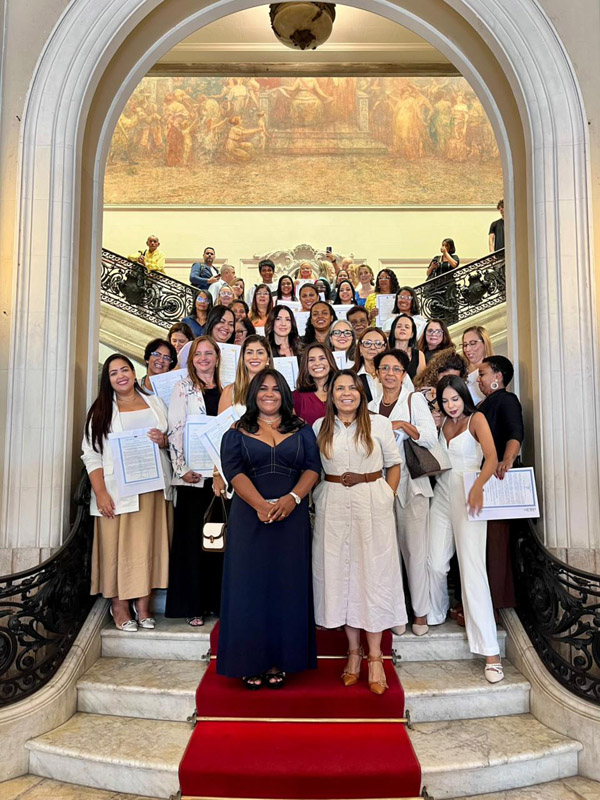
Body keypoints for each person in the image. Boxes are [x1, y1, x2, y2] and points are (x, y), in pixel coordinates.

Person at [218, 369, 321, 687]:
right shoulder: (236, 431)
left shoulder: (302, 430)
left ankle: (281, 660)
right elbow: (232, 470)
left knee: (286, 586)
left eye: (276, 389)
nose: (269, 394)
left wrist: (293, 498)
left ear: (284, 394)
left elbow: (313, 467)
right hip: (250, 520)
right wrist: (261, 505)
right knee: (249, 587)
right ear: (253, 393)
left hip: (292, 519)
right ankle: (251, 661)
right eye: (262, 388)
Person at [313, 370, 404, 695]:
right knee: (342, 577)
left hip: (371, 503)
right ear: (331, 394)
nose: (346, 393)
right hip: (333, 505)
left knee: (373, 575)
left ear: (361, 393)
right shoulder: (319, 427)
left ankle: (376, 656)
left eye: (352, 387)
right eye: (340, 388)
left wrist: (387, 496)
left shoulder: (378, 423)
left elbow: (394, 464)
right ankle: (353, 653)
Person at [82, 354, 172, 631]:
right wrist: (101, 492)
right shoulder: (100, 410)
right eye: (113, 373)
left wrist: (163, 440)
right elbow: (91, 454)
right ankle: (119, 606)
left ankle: (143, 606)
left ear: (134, 373)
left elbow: (171, 441)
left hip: (154, 489)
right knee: (117, 550)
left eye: (125, 370)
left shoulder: (154, 402)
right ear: (107, 380)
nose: (120, 376)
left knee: (150, 546)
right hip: (118, 491)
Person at [428, 375, 503, 683]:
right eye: (445, 401)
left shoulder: (477, 419)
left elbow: (492, 457)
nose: (450, 405)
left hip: (469, 490)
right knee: (434, 561)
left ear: (463, 396)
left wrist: (479, 486)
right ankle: (435, 614)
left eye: (454, 399)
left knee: (472, 570)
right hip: (443, 492)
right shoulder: (441, 423)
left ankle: (491, 652)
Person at [369, 349, 438, 637]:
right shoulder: (370, 405)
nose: (390, 374)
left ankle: (420, 614)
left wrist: (402, 425)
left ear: (403, 373)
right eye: (384, 368)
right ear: (377, 373)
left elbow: (431, 438)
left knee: (414, 551)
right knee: (387, 555)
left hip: (411, 487)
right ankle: (396, 613)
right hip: (380, 487)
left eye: (396, 369)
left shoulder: (414, 399)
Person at [166, 336, 224, 626]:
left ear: (217, 357)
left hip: (222, 478)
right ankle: (194, 605)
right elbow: (175, 429)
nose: (203, 358)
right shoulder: (183, 388)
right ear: (191, 360)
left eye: (208, 353)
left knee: (220, 539)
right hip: (193, 477)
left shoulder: (226, 387)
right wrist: (181, 469)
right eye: (198, 354)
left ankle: (217, 600)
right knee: (192, 542)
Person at [477, 355, 524, 612]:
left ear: (498, 376)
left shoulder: (506, 400)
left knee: (496, 544)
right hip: (485, 479)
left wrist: (506, 460)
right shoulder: (488, 402)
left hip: (497, 481)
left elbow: (516, 432)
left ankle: (493, 605)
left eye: (483, 374)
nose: (479, 379)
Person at [293, 343, 338, 427]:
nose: (317, 363)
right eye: (311, 360)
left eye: (322, 358)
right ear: (305, 365)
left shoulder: (342, 392)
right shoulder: (296, 396)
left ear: (330, 361)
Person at [354, 327, 387, 402]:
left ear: (384, 347)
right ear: (360, 347)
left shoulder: (397, 373)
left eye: (378, 343)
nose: (372, 347)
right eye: (367, 343)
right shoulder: (352, 376)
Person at [388, 314, 426, 380]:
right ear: (393, 331)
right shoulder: (385, 352)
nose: (403, 329)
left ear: (412, 334)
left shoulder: (419, 355)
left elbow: (421, 381)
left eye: (407, 327)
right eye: (399, 326)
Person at [462, 325, 493, 403]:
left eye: (472, 343)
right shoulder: (460, 370)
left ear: (485, 343)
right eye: (465, 345)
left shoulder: (494, 370)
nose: (467, 349)